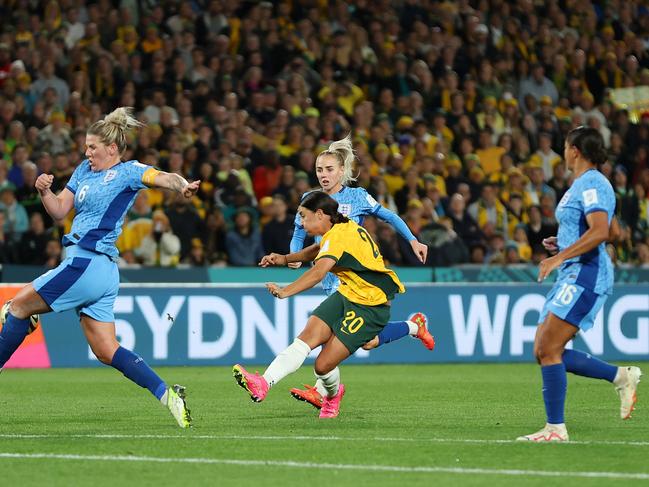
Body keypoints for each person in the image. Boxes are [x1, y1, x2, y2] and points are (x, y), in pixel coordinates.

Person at [0, 107, 195, 428]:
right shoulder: (83, 171)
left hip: (86, 261)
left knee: (17, 307)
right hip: (101, 272)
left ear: (112, 149)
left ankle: (26, 318)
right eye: (86, 146)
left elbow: (163, 177)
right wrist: (45, 191)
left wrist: (182, 185)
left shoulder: (129, 171)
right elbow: (60, 210)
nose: (86, 151)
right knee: (106, 350)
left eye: (92, 147)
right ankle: (168, 396)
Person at [288, 134, 435, 409]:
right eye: (319, 170)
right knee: (367, 341)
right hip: (330, 275)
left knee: (331, 333)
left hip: (357, 278)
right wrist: (293, 255)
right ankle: (414, 327)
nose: (324, 175)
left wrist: (413, 240)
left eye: (329, 169)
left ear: (342, 171)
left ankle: (326, 394)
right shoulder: (310, 200)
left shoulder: (357, 197)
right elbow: (298, 232)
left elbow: (389, 216)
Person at [518, 127, 642, 442]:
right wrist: (564, 242)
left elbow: (602, 231)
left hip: (585, 273)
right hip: (574, 271)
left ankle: (556, 429)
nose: (563, 151)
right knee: (545, 349)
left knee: (548, 347)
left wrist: (559, 258)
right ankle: (621, 377)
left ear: (574, 149)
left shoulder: (592, 183)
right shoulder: (586, 185)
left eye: (565, 146)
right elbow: (613, 230)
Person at [233, 191, 405, 418]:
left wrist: (286, 291)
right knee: (305, 339)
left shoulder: (339, 237)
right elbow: (317, 249)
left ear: (321, 214)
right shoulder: (338, 229)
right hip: (347, 295)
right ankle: (263, 383)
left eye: (304, 217)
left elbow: (318, 272)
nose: (302, 224)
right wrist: (285, 258)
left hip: (370, 308)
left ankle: (333, 396)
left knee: (322, 366)